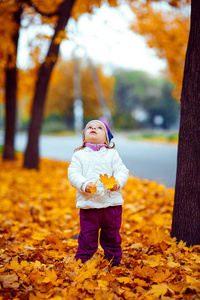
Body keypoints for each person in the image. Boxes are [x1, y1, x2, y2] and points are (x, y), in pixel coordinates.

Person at [68, 119, 129, 266]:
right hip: (89, 205)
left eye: (99, 128)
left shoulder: (112, 154)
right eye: (89, 127)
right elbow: (73, 173)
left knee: (112, 236)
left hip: (111, 205)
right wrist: (84, 184)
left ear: (106, 139)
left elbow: (122, 170)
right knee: (87, 236)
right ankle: (82, 261)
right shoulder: (79, 155)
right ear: (84, 137)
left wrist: (117, 182)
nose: (93, 128)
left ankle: (114, 261)